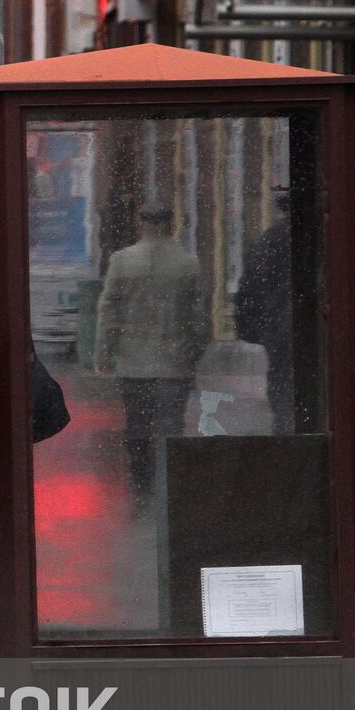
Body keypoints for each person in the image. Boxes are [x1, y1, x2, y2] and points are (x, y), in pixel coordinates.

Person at [94, 205, 208, 508]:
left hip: (133, 361)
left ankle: (142, 481)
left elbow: (109, 312)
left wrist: (103, 352)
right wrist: (197, 352)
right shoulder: (187, 264)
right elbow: (198, 318)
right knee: (171, 425)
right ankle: (168, 481)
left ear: (141, 223)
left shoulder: (121, 262)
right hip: (175, 360)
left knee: (137, 424)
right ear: (171, 224)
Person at [235, 192, 294, 434]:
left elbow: (249, 291)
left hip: (279, 335)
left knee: (284, 399)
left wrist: (253, 330)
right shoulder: (318, 237)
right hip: (308, 334)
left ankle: (288, 447)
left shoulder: (268, 241)